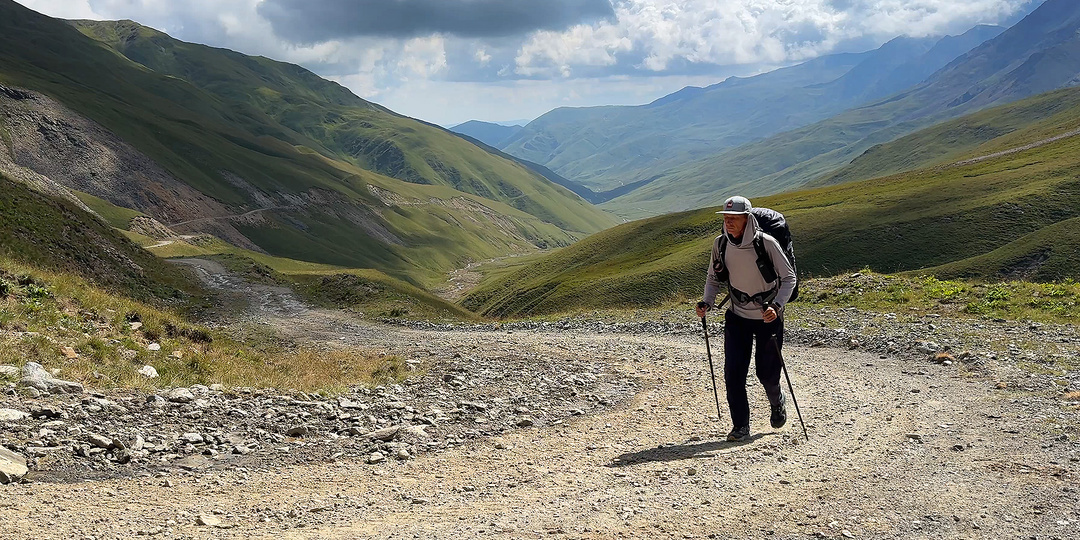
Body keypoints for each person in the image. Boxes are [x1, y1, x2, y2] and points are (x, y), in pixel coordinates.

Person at [695, 196, 796, 442]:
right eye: (726, 218)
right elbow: (713, 278)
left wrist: (777, 306)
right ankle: (740, 426)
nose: (728, 223)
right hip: (737, 316)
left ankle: (777, 400)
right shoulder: (720, 244)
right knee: (733, 373)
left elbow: (789, 278)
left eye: (733, 218)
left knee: (767, 373)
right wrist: (707, 302)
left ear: (747, 218)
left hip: (767, 317)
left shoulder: (767, 243)